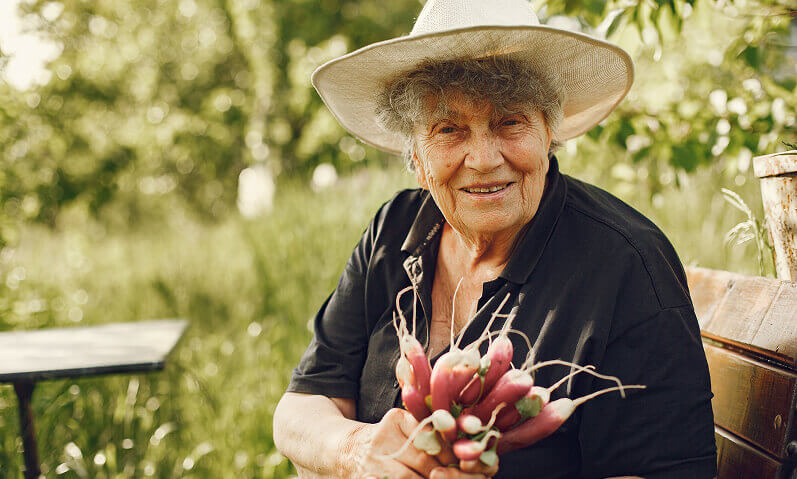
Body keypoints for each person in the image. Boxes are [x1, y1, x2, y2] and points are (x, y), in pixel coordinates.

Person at [273, 0, 717, 477]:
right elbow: (302, 407)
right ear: (417, 158)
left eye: (509, 121)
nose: (484, 158)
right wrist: (358, 451)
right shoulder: (394, 229)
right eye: (449, 129)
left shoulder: (628, 266)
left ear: (548, 131)